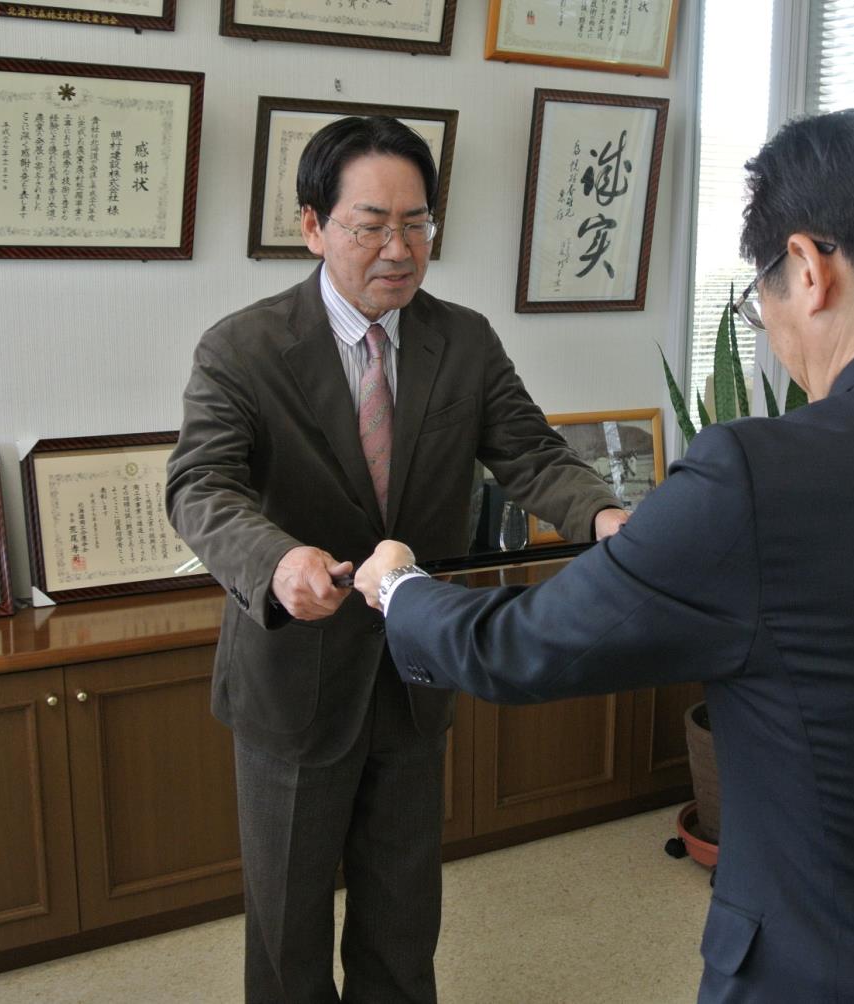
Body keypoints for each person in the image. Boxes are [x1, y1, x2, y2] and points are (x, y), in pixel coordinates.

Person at [354, 108, 854, 1003]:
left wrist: (400, 587)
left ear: (810, 269)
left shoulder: (763, 475)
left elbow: (526, 646)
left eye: (761, 292)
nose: (768, 321)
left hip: (839, 978)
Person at [165, 115, 627, 1004]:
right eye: (370, 224)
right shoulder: (244, 348)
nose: (398, 248)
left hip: (415, 671)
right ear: (313, 225)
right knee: (290, 932)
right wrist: (276, 560)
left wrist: (605, 513)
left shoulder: (464, 340)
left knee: (403, 922)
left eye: (417, 224)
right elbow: (201, 486)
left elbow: (531, 454)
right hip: (294, 676)